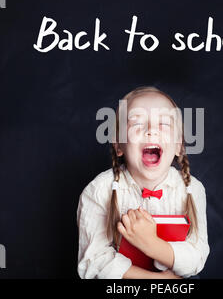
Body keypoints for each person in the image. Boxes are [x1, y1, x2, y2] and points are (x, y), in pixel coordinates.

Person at [77, 86, 210, 279]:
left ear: (179, 145)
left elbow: (196, 257)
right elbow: (94, 262)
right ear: (119, 146)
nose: (151, 130)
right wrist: (159, 281)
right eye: (137, 124)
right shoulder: (98, 190)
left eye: (164, 123)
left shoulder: (192, 189)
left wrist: (151, 243)